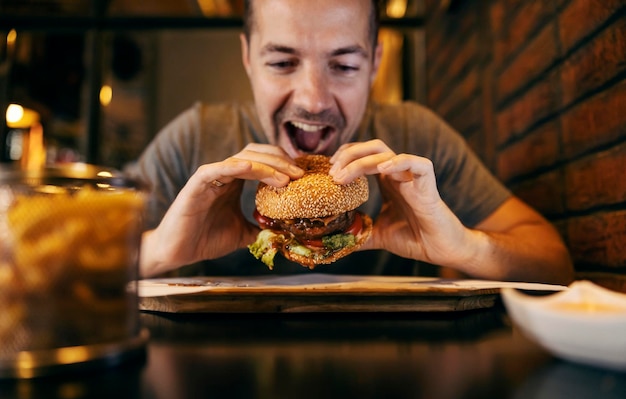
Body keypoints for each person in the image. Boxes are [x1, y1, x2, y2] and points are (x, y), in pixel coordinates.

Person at [129, 0, 574, 285]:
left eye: (343, 66)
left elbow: (553, 261)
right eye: (283, 62)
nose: (314, 99)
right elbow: (62, 272)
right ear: (248, 58)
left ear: (376, 61)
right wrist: (160, 250)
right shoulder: (194, 139)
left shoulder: (416, 142)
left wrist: (465, 247)